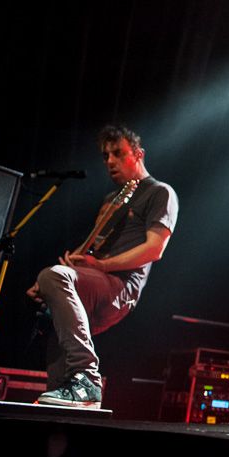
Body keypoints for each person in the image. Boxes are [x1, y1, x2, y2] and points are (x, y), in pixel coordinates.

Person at [27, 125, 178, 409]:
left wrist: (101, 265)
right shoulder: (111, 199)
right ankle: (65, 400)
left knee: (54, 277)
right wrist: (68, 268)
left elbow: (154, 249)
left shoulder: (160, 192)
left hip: (121, 286)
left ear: (139, 154)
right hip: (95, 279)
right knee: (55, 320)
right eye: (105, 156)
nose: (110, 161)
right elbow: (93, 246)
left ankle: (87, 377)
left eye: (118, 153)